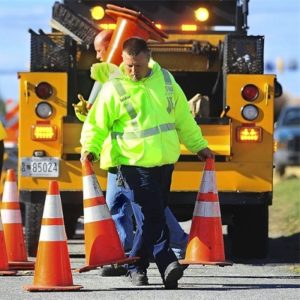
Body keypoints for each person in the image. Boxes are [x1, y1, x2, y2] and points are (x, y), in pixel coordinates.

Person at [80, 37, 213, 289]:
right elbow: (96, 124)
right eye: (128, 65)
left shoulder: (166, 81)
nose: (132, 71)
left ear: (148, 58)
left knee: (152, 217)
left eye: (137, 66)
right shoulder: (114, 87)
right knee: (152, 214)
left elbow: (183, 118)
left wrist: (198, 146)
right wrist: (91, 149)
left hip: (163, 164)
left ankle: (138, 267)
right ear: (122, 60)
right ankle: (165, 262)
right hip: (131, 165)